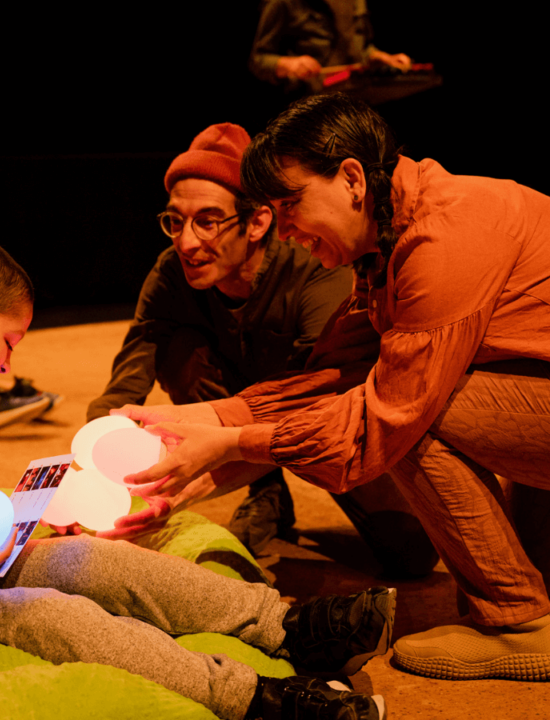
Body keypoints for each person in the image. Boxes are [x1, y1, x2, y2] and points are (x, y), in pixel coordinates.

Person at [0, 232, 394, 720]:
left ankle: (287, 627)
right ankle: (254, 698)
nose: (7, 366)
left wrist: (13, 525)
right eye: (7, 343)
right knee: (47, 614)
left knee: (91, 559)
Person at [109, 94, 550, 682]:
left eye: (290, 205)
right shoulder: (387, 237)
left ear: (350, 179)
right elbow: (336, 371)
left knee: (418, 416)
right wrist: (211, 420)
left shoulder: (441, 238)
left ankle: (520, 623)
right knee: (404, 396)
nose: (284, 230)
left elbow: (384, 416)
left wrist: (233, 444)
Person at [86, 121, 436, 575]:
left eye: (207, 222)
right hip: (240, 410)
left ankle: (263, 472)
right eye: (175, 221)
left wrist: (203, 475)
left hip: (324, 412)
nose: (186, 242)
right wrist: (93, 444)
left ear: (257, 221)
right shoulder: (172, 270)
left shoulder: (316, 266)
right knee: (175, 350)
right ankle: (267, 492)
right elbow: (138, 353)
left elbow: (326, 399)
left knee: (408, 552)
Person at [249, 0, 411, 92]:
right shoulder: (282, 2)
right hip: (308, 105)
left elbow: (358, 45)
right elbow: (258, 60)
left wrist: (376, 56)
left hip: (358, 98)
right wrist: (289, 64)